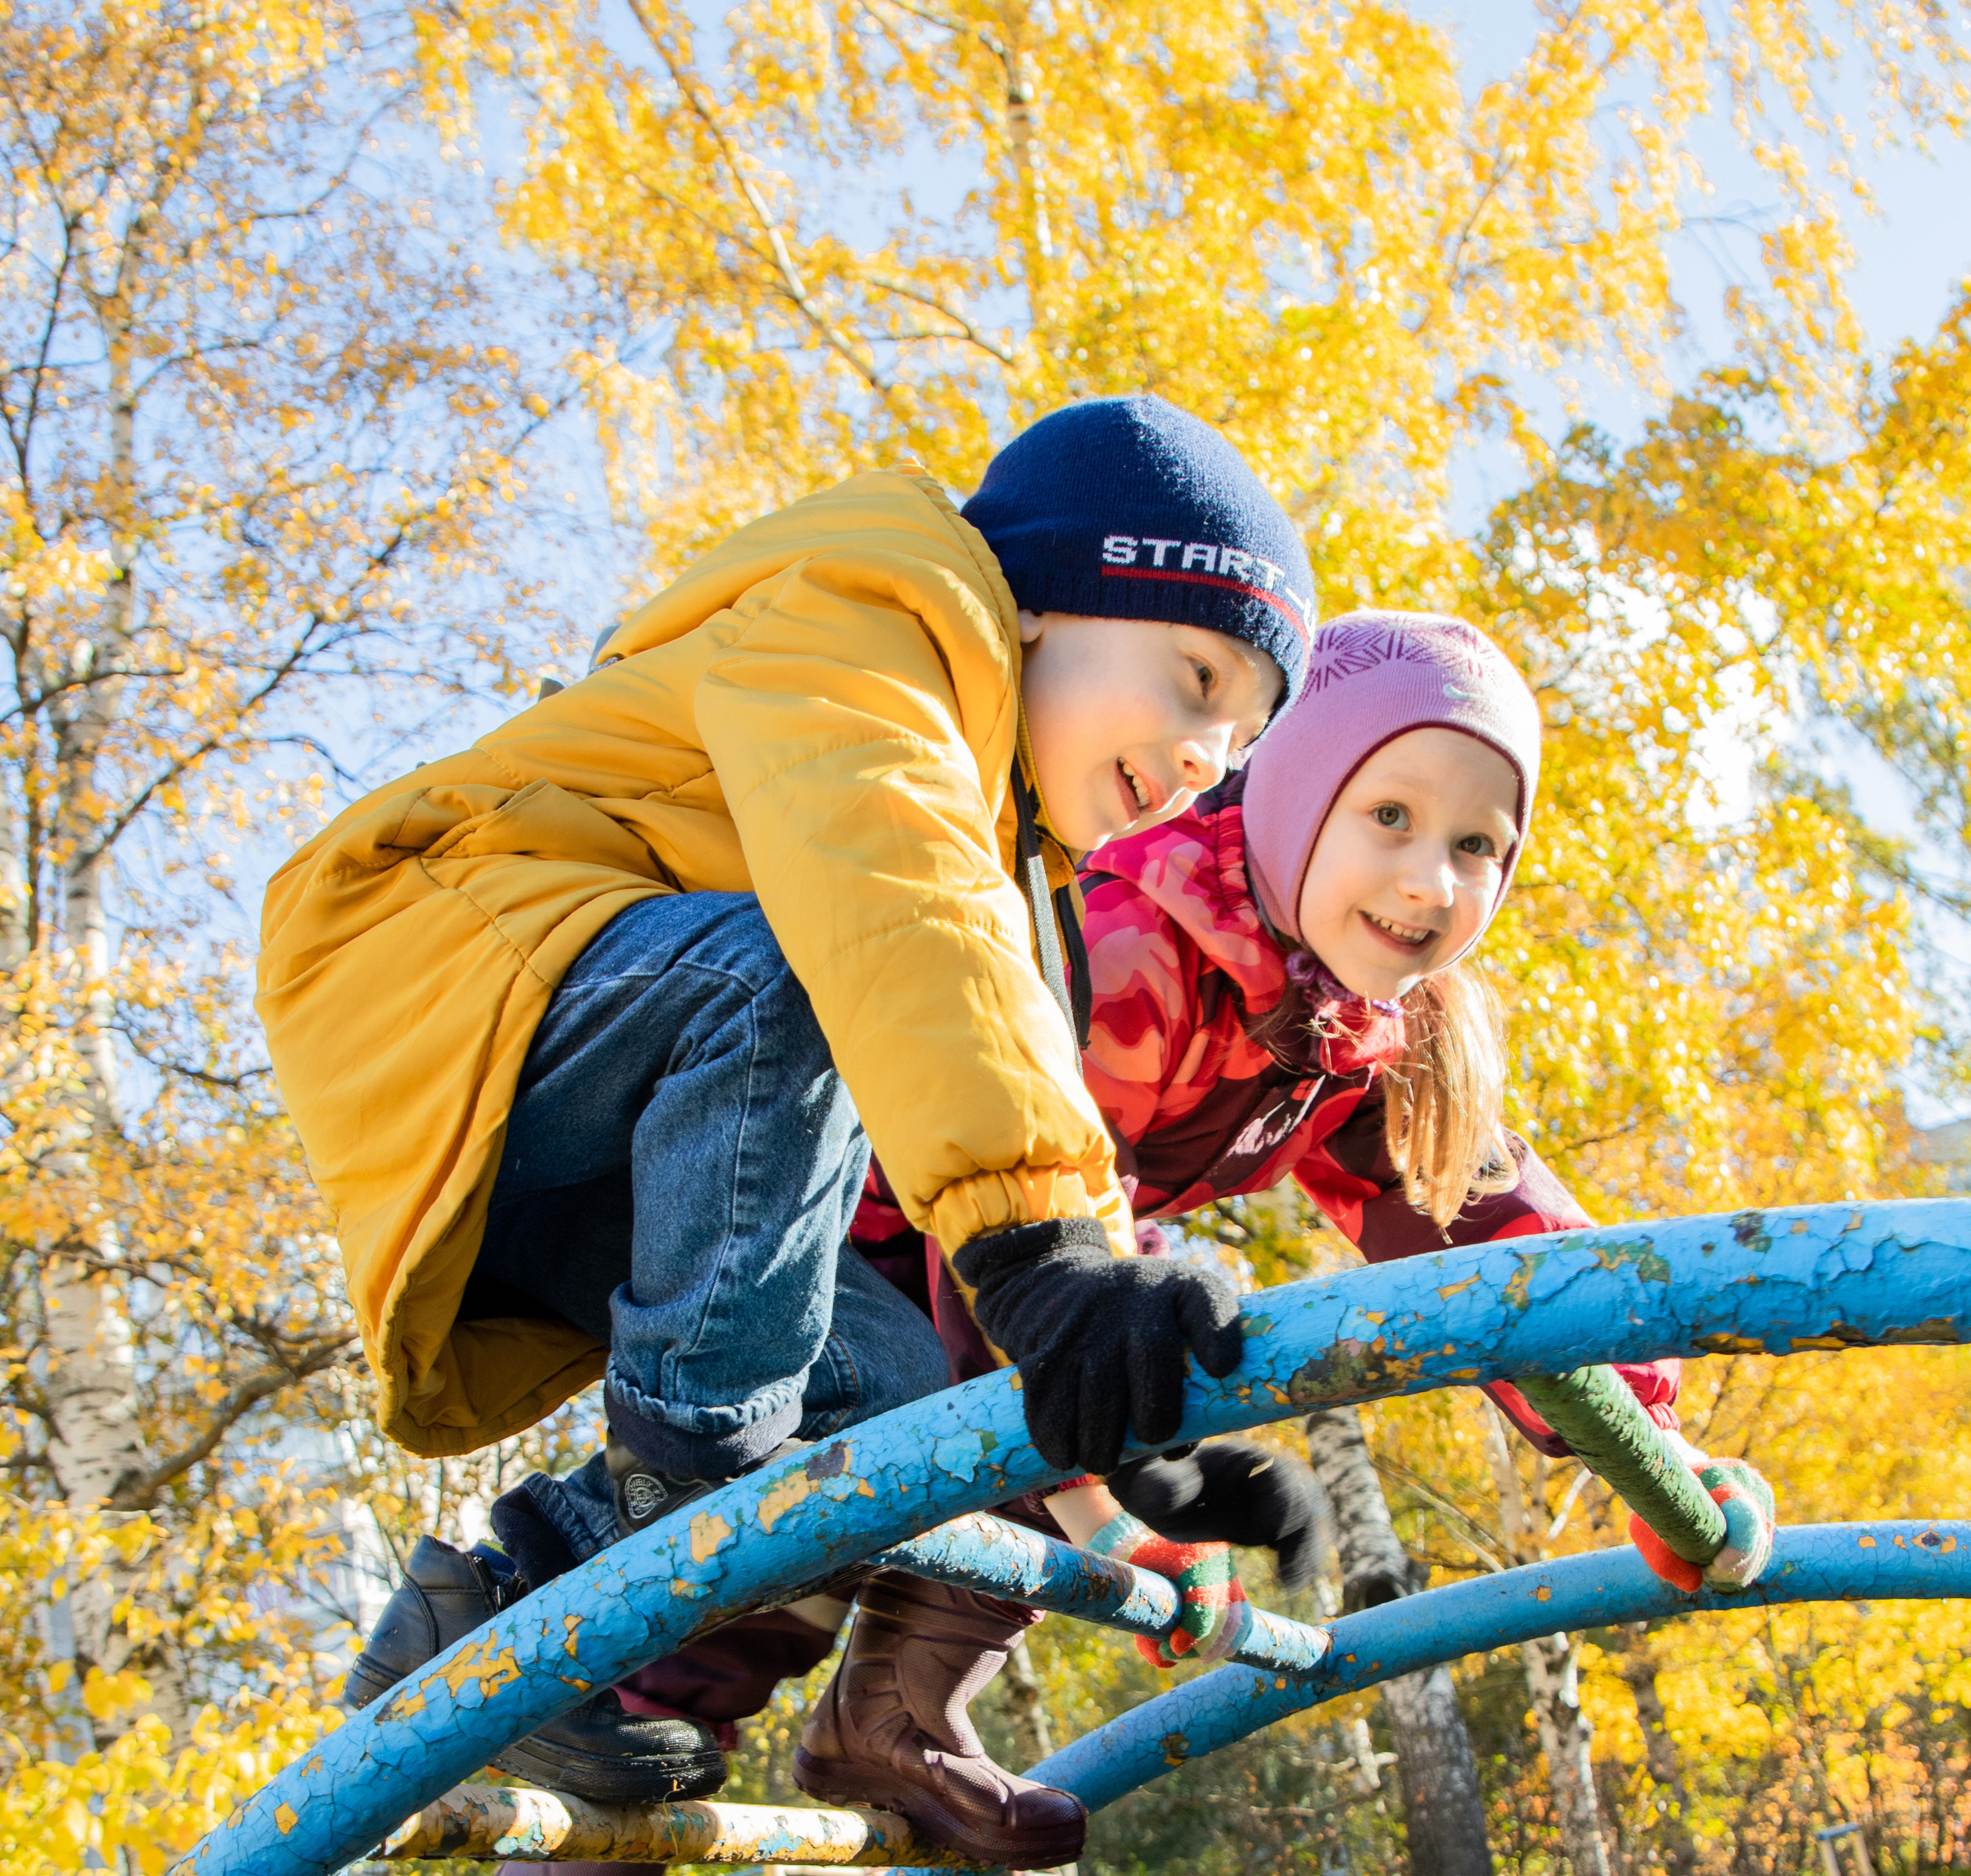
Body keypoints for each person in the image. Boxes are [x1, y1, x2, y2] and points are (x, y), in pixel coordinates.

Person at [258, 395, 1315, 1876]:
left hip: (618, 1079)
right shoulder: (879, 606)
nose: (1205, 752)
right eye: (1193, 680)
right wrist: (1046, 1253)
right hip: (452, 958)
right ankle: (674, 1531)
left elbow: (994, 1071)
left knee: (888, 1402)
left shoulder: (1007, 843)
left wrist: (1129, 1424)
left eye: (1240, 731)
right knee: (792, 980)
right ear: (1044, 599)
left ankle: (493, 1616)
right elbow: (887, 912)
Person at [655, 607, 1775, 1747]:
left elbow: (1478, 1219)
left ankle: (890, 1727)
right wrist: (1107, 1517)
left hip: (1027, 1276)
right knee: (832, 1514)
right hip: (879, 1231)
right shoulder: (1146, 940)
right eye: (1389, 815)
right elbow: (1026, 1203)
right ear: (1296, 795)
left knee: (1038, 1453)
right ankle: (624, 1756)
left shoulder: (1372, 1024)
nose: (1432, 882)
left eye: (1477, 846)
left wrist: (1647, 1436)